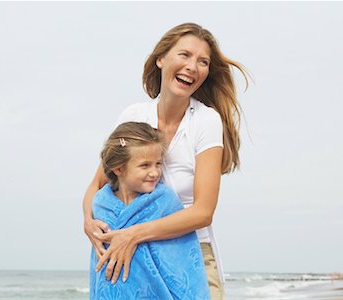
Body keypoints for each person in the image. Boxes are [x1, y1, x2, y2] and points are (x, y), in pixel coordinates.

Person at [83, 22, 249, 299]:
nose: (192, 67)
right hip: (134, 259)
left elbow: (203, 212)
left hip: (191, 253)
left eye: (202, 62)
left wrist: (133, 233)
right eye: (184, 55)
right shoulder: (133, 115)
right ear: (161, 58)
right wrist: (87, 221)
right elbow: (97, 184)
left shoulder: (205, 121)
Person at [90, 121, 210, 299]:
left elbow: (181, 260)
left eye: (158, 164)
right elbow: (99, 260)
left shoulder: (165, 201)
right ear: (119, 168)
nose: (154, 173)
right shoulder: (101, 203)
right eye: (145, 165)